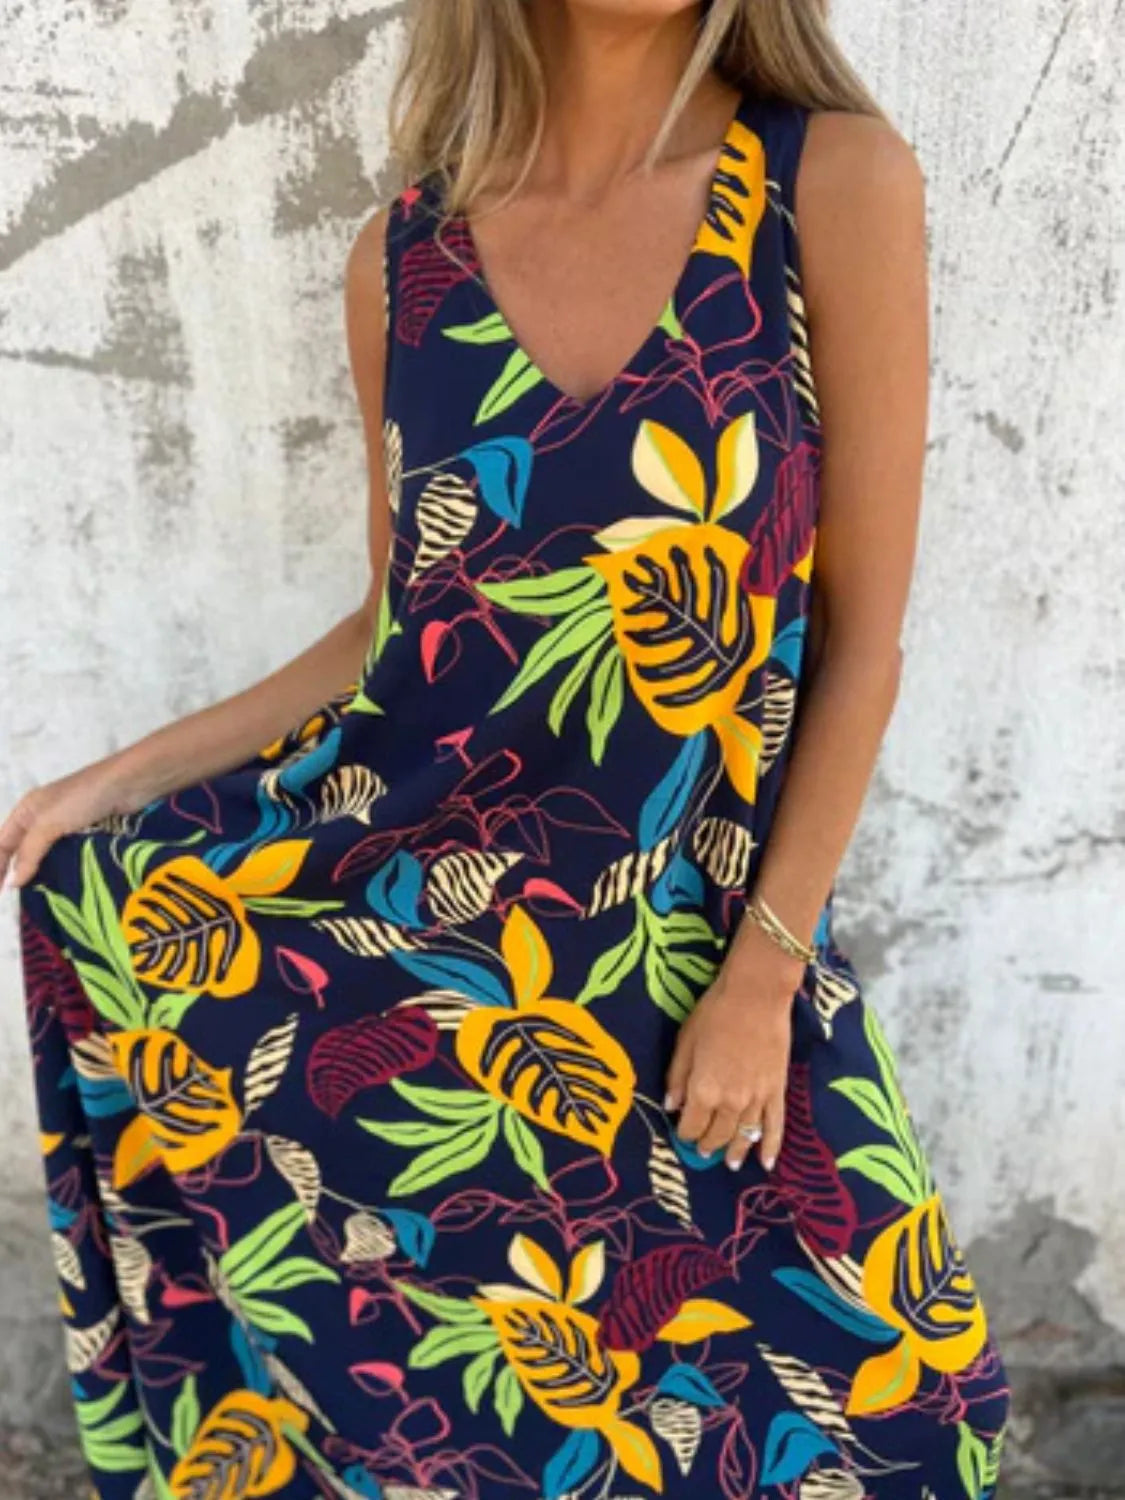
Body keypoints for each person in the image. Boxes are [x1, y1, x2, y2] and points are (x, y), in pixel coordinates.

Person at [5, 1, 1012, 1495]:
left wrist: (764, 970)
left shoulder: (827, 180)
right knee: (475, 1425)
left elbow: (860, 637)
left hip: (684, 952)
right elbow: (393, 627)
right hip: (432, 959)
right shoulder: (402, 260)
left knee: (903, 1417)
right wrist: (112, 784)